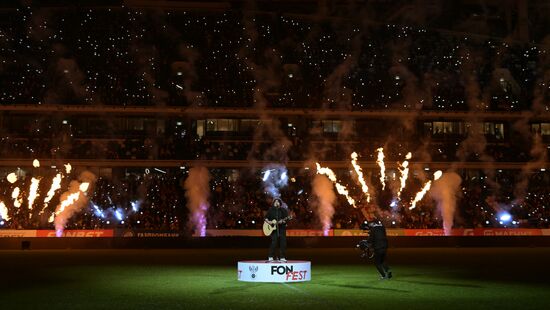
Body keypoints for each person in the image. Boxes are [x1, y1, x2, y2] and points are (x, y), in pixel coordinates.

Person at [264, 198, 290, 262]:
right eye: (275, 201)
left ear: (280, 203)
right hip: (273, 229)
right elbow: (266, 218)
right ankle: (270, 256)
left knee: (283, 242)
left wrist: (283, 222)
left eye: (278, 201)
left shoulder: (283, 210)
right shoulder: (271, 210)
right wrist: (269, 222)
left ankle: (282, 257)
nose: (276, 202)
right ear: (273, 203)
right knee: (274, 242)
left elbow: (287, 219)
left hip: (282, 228)